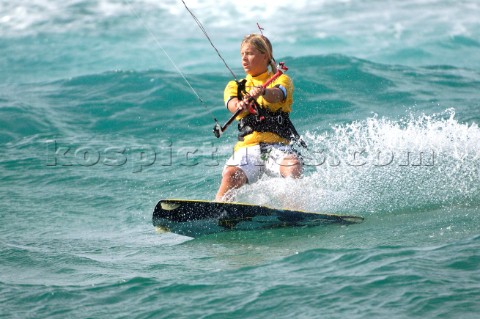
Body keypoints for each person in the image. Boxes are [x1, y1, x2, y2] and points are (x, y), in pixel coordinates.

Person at [215, 33, 304, 202]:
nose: (244, 59)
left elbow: (277, 95)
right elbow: (231, 104)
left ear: (265, 56)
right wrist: (240, 105)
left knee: (293, 167)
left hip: (278, 147)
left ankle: (294, 210)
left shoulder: (282, 79)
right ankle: (218, 208)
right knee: (230, 174)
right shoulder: (234, 85)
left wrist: (263, 91)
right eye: (242, 54)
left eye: (249, 53)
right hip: (248, 149)